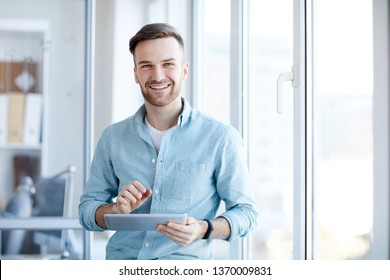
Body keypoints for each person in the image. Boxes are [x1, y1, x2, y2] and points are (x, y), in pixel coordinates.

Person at [78, 23, 258, 260]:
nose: (158, 75)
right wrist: (114, 211)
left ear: (184, 70)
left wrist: (203, 229)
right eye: (146, 66)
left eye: (168, 64)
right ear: (135, 74)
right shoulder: (113, 137)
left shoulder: (221, 138)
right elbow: (86, 211)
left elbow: (247, 213)